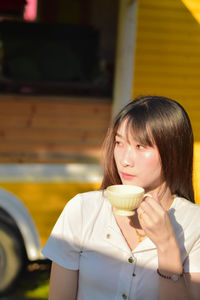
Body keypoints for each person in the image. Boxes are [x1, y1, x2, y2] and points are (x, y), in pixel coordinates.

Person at [42, 95, 200, 300]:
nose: (124, 160)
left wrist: (167, 247)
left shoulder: (194, 224)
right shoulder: (82, 209)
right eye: (119, 142)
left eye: (140, 146)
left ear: (173, 151)